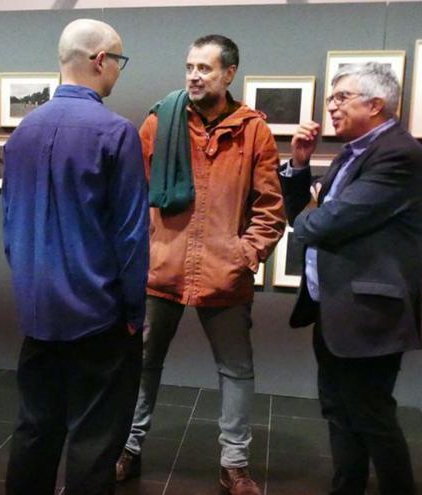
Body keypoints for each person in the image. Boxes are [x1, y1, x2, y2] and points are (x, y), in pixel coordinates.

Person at [115, 35, 285, 495]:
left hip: (224, 274)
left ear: (229, 73)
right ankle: (127, 447)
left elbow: (271, 208)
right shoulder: (158, 122)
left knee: (236, 370)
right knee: (143, 363)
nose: (194, 75)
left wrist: (244, 255)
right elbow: (131, 194)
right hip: (159, 269)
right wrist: (141, 251)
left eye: (205, 68)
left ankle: (234, 464)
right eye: (190, 66)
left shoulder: (254, 131)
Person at [2, 18, 149, 495]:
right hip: (98, 315)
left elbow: (11, 227)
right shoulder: (116, 133)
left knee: (35, 429)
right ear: (100, 60)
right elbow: (130, 236)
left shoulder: (24, 129)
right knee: (95, 438)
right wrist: (133, 312)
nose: (118, 72)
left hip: (38, 313)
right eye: (118, 61)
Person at [280, 62, 422, 495]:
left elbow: (318, 227)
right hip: (334, 309)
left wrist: (311, 220)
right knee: (338, 412)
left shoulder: (398, 155)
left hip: (368, 316)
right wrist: (298, 165)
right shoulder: (354, 154)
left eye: (341, 97)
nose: (330, 106)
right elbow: (304, 218)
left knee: (372, 419)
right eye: (330, 97)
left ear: (376, 103)